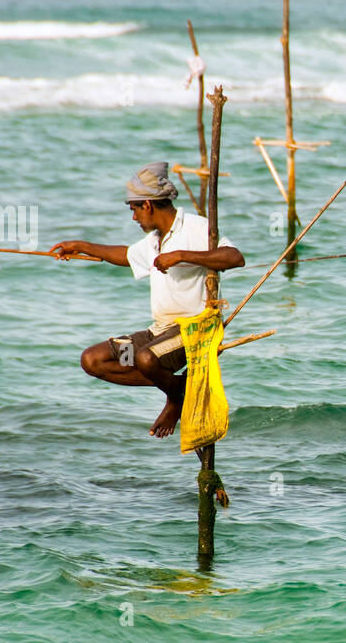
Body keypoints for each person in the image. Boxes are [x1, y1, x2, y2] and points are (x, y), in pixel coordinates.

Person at [50, 162, 245, 438]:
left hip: (194, 331)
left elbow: (235, 258)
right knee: (94, 360)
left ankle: (175, 397)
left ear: (148, 205)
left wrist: (182, 255)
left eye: (134, 209)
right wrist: (80, 246)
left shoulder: (196, 227)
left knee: (146, 358)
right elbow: (126, 256)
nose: (134, 218)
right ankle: (177, 389)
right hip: (160, 333)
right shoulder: (155, 240)